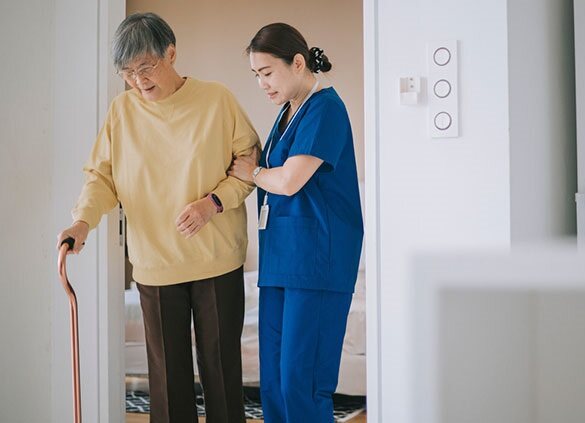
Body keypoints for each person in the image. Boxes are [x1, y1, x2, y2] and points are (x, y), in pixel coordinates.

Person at [55, 12, 261, 423]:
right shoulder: (121, 112)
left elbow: (249, 161)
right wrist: (82, 222)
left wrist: (213, 204)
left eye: (146, 68)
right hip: (154, 264)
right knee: (167, 384)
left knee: (221, 374)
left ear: (171, 53)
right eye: (127, 73)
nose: (138, 80)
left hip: (217, 259)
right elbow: (101, 177)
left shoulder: (216, 99)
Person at [228, 22, 363, 423]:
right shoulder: (287, 113)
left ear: (298, 62)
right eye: (256, 76)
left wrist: (252, 173)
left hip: (316, 262)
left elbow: (288, 180)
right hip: (280, 261)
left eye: (268, 73)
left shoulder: (326, 108)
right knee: (273, 384)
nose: (262, 84)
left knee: (301, 385)